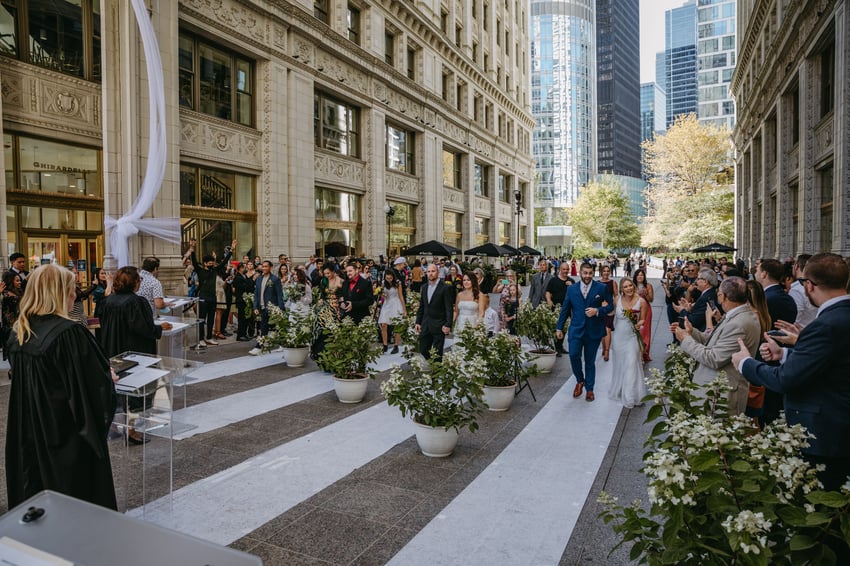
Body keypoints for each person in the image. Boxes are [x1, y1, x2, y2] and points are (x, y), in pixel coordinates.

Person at [731, 253, 850, 491]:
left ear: (809, 285)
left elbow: (785, 379)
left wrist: (746, 363)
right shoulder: (836, 318)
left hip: (824, 435)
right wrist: (784, 355)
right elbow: (832, 363)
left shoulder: (826, 324)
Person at [5, 264, 117, 509]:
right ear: (57, 293)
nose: (75, 295)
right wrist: (106, 377)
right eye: (70, 289)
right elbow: (91, 391)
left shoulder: (19, 332)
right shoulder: (68, 334)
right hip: (63, 431)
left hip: (29, 428)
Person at [98, 266, 171, 444]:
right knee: (135, 392)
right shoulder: (136, 302)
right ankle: (131, 430)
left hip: (112, 349)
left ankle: (113, 426)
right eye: (138, 280)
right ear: (134, 282)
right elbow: (143, 328)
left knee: (115, 390)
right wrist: (159, 328)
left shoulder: (107, 301)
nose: (140, 283)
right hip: (134, 353)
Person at [672, 276, 762, 416]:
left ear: (724, 296)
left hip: (721, 396)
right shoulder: (735, 315)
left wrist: (685, 340)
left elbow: (714, 358)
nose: (718, 298)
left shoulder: (739, 323)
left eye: (719, 294)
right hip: (714, 392)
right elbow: (713, 341)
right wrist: (692, 332)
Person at [555, 262, 614, 402]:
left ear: (593, 273)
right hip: (576, 329)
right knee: (574, 355)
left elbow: (611, 305)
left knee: (589, 361)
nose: (587, 276)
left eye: (590, 273)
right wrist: (559, 327)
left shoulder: (602, 288)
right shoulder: (572, 289)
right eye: (585, 273)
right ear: (580, 273)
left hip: (593, 331)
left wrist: (598, 311)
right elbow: (565, 309)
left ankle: (589, 389)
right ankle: (580, 380)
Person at [186, 239, 235, 346]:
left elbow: (222, 263)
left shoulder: (215, 270)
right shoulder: (200, 271)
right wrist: (192, 248)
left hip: (213, 298)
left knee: (211, 320)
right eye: (209, 263)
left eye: (212, 262)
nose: (211, 264)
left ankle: (209, 337)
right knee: (201, 320)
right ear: (205, 263)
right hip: (203, 298)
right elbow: (194, 261)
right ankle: (200, 339)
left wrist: (231, 250)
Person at [608, 277, 647, 408]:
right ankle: (620, 389)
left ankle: (630, 397)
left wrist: (639, 324)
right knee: (620, 365)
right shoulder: (617, 300)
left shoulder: (641, 302)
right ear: (621, 289)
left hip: (632, 338)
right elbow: (612, 313)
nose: (629, 288)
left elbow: (643, 320)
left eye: (630, 285)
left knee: (631, 364)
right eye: (625, 286)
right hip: (619, 337)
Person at [415, 263, 456, 360]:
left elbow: (449, 308)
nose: (430, 273)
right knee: (423, 349)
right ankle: (431, 365)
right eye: (428, 271)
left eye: (433, 271)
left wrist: (448, 324)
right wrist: (418, 321)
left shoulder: (445, 287)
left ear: (437, 272)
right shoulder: (424, 287)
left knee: (437, 352)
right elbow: (422, 306)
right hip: (426, 324)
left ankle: (436, 373)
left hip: (439, 324)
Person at [249, 260, 284, 355]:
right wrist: (255, 307)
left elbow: (279, 295)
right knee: (263, 327)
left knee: (277, 327)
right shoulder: (259, 279)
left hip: (273, 308)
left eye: (266, 266)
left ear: (270, 268)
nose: (264, 268)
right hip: (262, 307)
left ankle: (282, 343)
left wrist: (281, 308)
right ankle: (260, 346)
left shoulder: (275, 279)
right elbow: (256, 294)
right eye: (263, 266)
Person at [546, 262, 574, 355]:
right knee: (557, 327)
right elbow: (548, 292)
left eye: (567, 269)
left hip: (567, 309)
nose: (565, 271)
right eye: (564, 269)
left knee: (564, 328)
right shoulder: (553, 280)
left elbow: (577, 293)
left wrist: (571, 286)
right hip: (556, 308)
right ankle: (556, 347)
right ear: (560, 270)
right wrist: (549, 300)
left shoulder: (571, 281)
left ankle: (560, 346)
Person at [378, 269, 406, 354]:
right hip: (387, 304)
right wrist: (382, 296)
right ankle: (385, 344)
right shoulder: (383, 283)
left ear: (393, 277)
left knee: (396, 325)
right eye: (387, 278)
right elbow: (383, 295)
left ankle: (396, 345)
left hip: (396, 303)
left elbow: (401, 296)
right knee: (383, 324)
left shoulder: (398, 283)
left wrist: (404, 309)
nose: (389, 279)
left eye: (390, 278)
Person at [633, 268, 654, 361]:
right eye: (638, 275)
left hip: (646, 310)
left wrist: (645, 294)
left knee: (644, 332)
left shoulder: (648, 286)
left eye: (642, 275)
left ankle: (643, 354)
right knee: (635, 331)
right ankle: (635, 353)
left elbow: (651, 299)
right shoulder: (632, 286)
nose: (640, 276)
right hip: (635, 311)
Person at [1, 271, 24, 358]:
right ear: (10, 281)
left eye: (19, 280)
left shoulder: (18, 292)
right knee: (12, 351)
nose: (19, 282)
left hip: (19, 324)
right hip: (9, 327)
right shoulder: (5, 294)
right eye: (17, 281)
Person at [599, 265, 618, 362]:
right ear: (601, 272)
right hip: (600, 309)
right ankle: (603, 347)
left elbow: (616, 296)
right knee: (602, 330)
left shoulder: (613, 283)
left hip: (610, 309)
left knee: (608, 329)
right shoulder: (597, 283)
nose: (606, 273)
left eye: (608, 271)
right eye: (604, 271)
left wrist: (614, 307)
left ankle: (607, 351)